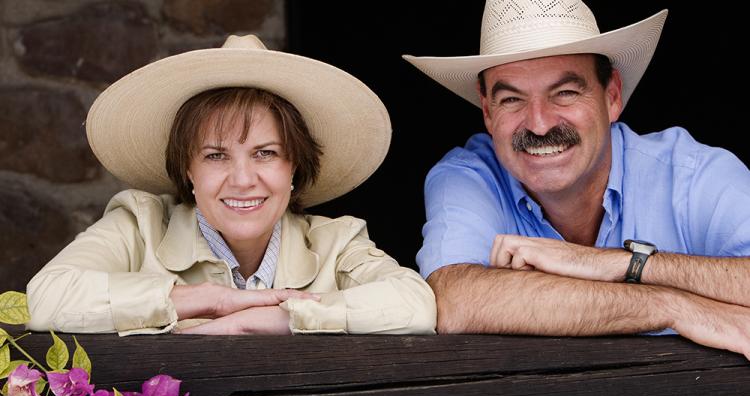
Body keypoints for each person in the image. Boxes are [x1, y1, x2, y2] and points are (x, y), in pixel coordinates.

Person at [403, 0, 750, 357]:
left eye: (565, 93)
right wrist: (672, 305)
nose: (539, 124)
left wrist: (616, 264)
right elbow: (455, 300)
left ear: (612, 96)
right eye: (511, 99)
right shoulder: (468, 177)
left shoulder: (693, 174)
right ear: (488, 111)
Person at [26, 35, 436, 336]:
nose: (242, 180)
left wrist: (276, 318)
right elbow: (46, 298)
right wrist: (204, 300)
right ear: (188, 170)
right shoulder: (139, 227)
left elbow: (416, 306)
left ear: (294, 166)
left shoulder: (336, 244)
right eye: (216, 155)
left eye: (265, 153)